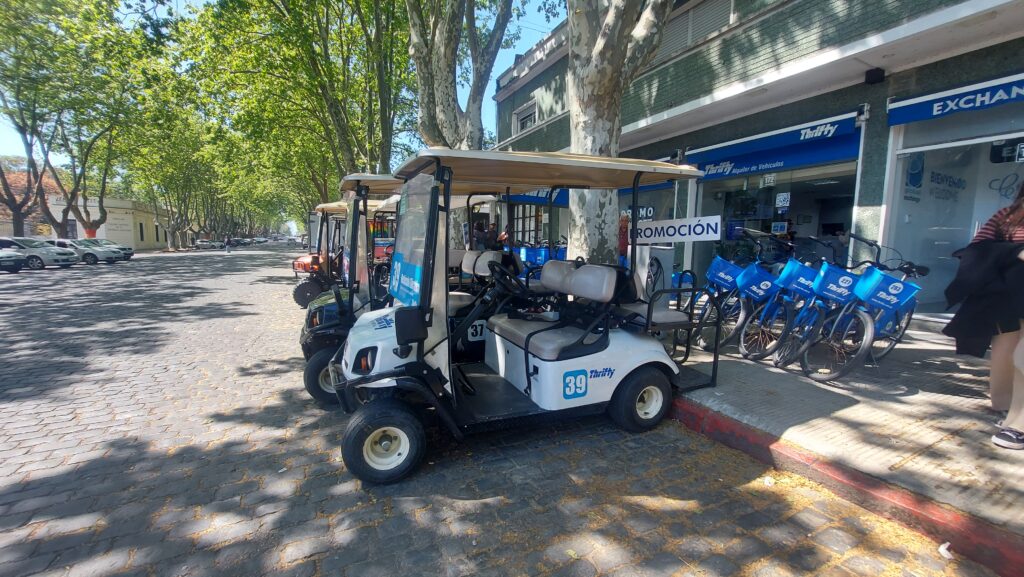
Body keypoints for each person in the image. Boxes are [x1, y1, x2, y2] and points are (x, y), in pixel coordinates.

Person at [944, 181, 1024, 450]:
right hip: (1007, 295)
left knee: (1022, 357)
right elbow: (976, 248)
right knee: (1005, 351)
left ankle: (1019, 422)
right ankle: (1003, 404)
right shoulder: (1008, 215)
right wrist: (1014, 253)